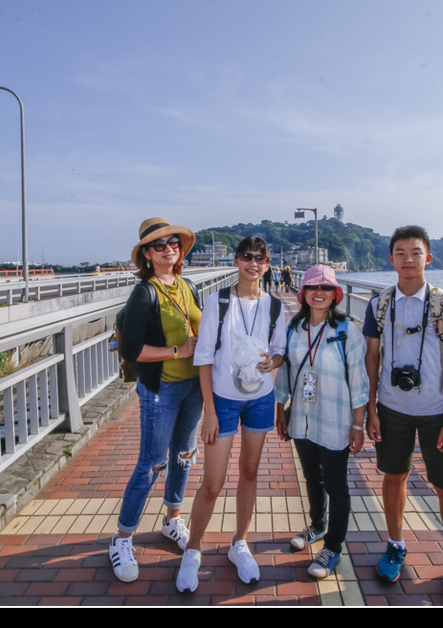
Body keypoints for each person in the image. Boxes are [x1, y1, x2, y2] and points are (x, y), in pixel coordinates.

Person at [363, 226, 443, 606]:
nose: (408, 259)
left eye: (415, 252)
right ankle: (395, 544)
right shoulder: (379, 304)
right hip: (392, 409)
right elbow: (372, 359)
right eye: (400, 253)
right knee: (393, 476)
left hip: (437, 412)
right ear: (391, 259)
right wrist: (371, 409)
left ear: (427, 258)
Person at [176, 237, 287, 593]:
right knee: (213, 482)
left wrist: (274, 362)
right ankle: (193, 549)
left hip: (260, 399)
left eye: (260, 258)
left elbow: (280, 351)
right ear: (236, 261)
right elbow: (204, 357)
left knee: (250, 472)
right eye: (247, 257)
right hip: (223, 400)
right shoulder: (218, 301)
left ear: (267, 264)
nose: (253, 263)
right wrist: (209, 411)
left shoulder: (274, 306)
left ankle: (239, 542)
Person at [111, 217, 204, 583]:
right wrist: (178, 350)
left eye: (173, 242)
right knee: (151, 464)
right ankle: (122, 538)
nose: (169, 249)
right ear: (147, 255)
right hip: (160, 389)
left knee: (184, 455)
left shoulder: (188, 286)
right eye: (160, 245)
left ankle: (172, 519)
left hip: (194, 387)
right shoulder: (144, 292)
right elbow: (132, 350)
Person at [275, 265, 368, 579]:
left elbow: (359, 382)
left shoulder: (347, 331)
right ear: (303, 293)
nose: (319, 293)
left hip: (335, 419)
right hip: (302, 417)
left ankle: (333, 546)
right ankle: (317, 525)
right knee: (311, 476)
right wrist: (280, 409)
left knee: (336, 484)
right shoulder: (294, 327)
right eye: (313, 287)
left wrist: (358, 425)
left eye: (326, 288)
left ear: (335, 294)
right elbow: (285, 370)